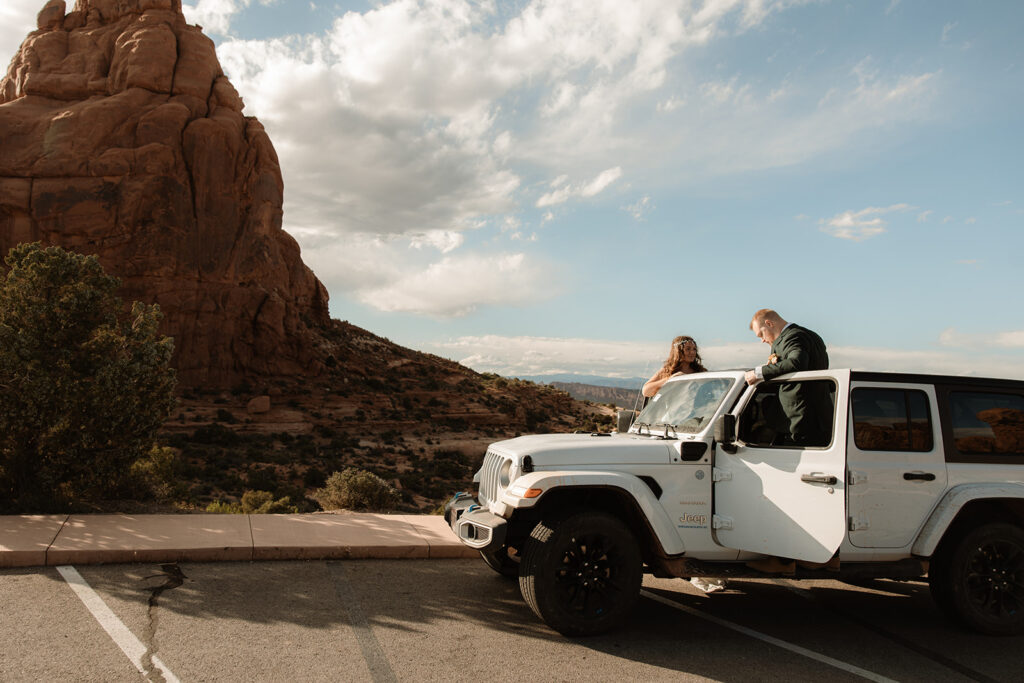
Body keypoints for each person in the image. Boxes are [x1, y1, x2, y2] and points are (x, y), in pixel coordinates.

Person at [744, 309, 830, 446]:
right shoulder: (811, 335)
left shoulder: (793, 336)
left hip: (799, 422)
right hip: (817, 418)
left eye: (761, 334)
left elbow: (796, 362)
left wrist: (758, 373)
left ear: (769, 323)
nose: (762, 340)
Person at [642, 336, 707, 398]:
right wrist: (670, 379)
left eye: (694, 349)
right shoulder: (667, 371)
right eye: (688, 349)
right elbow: (646, 391)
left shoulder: (700, 372)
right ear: (678, 351)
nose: (692, 352)